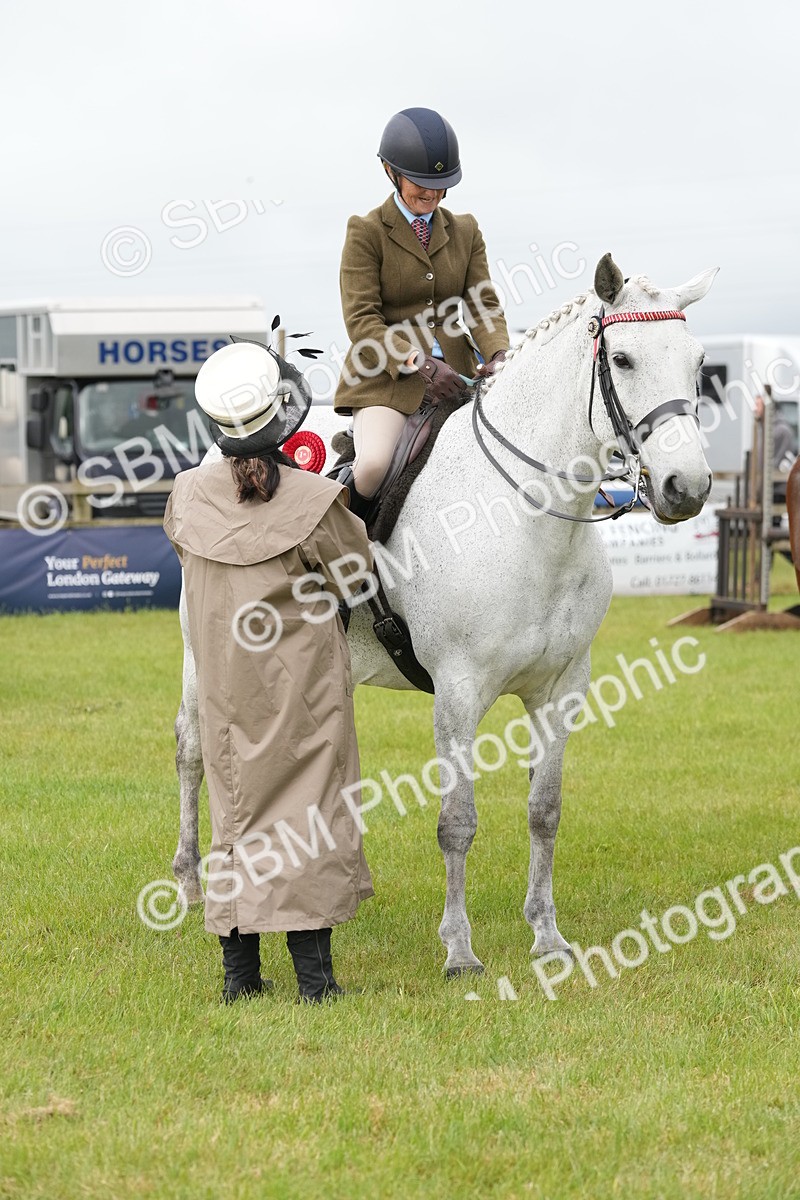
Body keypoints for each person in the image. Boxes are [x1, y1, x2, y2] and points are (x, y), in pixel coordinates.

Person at [163, 339, 374, 1003]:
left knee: (235, 821)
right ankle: (316, 982)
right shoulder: (316, 500)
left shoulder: (187, 495)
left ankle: (240, 980)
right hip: (304, 693)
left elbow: (187, 552)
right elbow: (356, 577)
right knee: (308, 818)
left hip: (225, 694)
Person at [333, 106, 510, 517]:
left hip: (460, 376)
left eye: (440, 185)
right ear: (390, 172)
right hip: (387, 381)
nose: (430, 195)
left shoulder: (465, 230)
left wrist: (499, 354)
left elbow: (482, 304)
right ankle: (353, 555)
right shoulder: (366, 231)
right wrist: (419, 362)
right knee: (374, 466)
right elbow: (362, 320)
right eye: (420, 184)